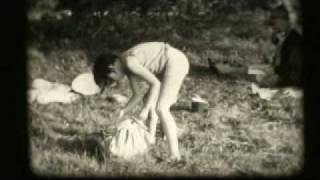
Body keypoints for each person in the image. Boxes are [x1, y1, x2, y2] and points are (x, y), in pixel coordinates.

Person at [93, 42, 189, 160]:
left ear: (111, 69)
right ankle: (152, 137)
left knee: (161, 108)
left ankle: (175, 155)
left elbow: (155, 84)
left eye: (110, 81)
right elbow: (137, 95)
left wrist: (145, 109)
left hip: (175, 61)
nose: (113, 84)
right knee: (148, 100)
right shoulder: (125, 65)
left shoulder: (129, 62)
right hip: (167, 66)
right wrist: (123, 111)